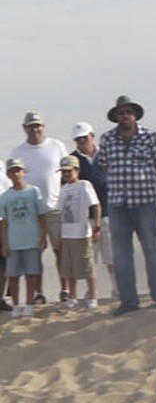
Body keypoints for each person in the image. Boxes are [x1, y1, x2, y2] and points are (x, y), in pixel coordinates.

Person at [95, 95, 156, 313]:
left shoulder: (151, 137)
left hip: (144, 202)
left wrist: (139, 178)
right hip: (118, 204)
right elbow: (104, 165)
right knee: (121, 255)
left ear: (135, 115)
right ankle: (129, 300)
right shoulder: (107, 139)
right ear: (116, 117)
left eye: (129, 112)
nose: (125, 116)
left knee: (152, 250)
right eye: (121, 113)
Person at [13, 112, 67, 299]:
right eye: (31, 126)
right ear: (24, 128)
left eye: (38, 125)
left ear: (43, 126)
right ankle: (39, 292)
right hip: (31, 212)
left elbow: (68, 173)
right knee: (35, 254)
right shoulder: (18, 152)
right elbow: (15, 182)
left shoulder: (57, 146)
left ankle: (65, 290)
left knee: (60, 249)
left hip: (55, 207)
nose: (35, 129)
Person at [71, 122, 114, 299]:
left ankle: (117, 287)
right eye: (79, 139)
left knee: (111, 255)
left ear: (92, 136)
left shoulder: (105, 154)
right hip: (86, 216)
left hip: (110, 211)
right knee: (90, 257)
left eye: (85, 137)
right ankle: (92, 291)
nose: (83, 141)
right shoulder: (74, 159)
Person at [1, 158, 49, 317]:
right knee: (13, 276)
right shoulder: (5, 196)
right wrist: (4, 244)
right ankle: (15, 305)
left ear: (24, 172)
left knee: (31, 274)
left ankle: (29, 304)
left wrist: (43, 237)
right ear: (8, 174)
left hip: (31, 240)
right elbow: (4, 221)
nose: (16, 173)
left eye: (18, 170)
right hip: (14, 242)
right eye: (12, 171)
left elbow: (42, 216)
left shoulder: (34, 191)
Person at [55, 154, 101, 309]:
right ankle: (73, 297)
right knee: (69, 268)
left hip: (82, 233)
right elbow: (59, 211)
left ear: (77, 170)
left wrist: (97, 226)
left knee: (87, 267)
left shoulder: (84, 185)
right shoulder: (64, 189)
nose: (67, 174)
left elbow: (96, 205)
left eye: (69, 171)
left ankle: (93, 296)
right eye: (64, 171)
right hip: (67, 233)